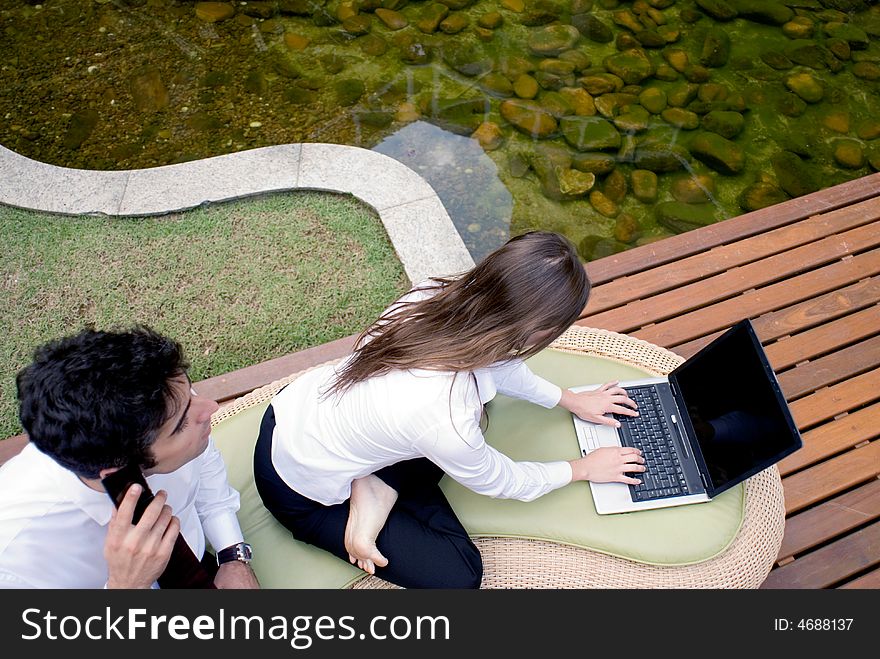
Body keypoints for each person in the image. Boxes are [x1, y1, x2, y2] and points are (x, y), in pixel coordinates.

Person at [254, 230, 645, 588]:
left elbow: (499, 362)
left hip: (289, 413)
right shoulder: (447, 416)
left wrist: (570, 399)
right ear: (539, 332)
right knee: (459, 576)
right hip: (299, 490)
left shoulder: (431, 295)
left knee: (470, 417)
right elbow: (501, 481)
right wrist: (583, 468)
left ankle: (377, 484)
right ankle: (371, 491)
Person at [0, 326, 260, 589]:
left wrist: (232, 555)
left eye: (190, 392)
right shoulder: (15, 559)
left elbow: (206, 465)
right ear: (117, 468)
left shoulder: (164, 400)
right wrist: (126, 586)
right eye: (180, 425)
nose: (210, 408)